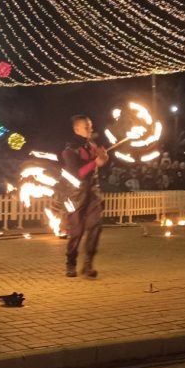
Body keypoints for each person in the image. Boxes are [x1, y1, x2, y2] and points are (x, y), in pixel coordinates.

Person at [60, 115, 108, 278]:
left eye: (91, 126)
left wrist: (103, 158)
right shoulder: (69, 150)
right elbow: (77, 174)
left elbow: (98, 163)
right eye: (87, 127)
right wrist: (96, 163)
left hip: (93, 192)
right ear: (77, 129)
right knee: (77, 231)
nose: (91, 129)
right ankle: (71, 263)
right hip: (75, 195)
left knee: (96, 225)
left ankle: (88, 264)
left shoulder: (92, 146)